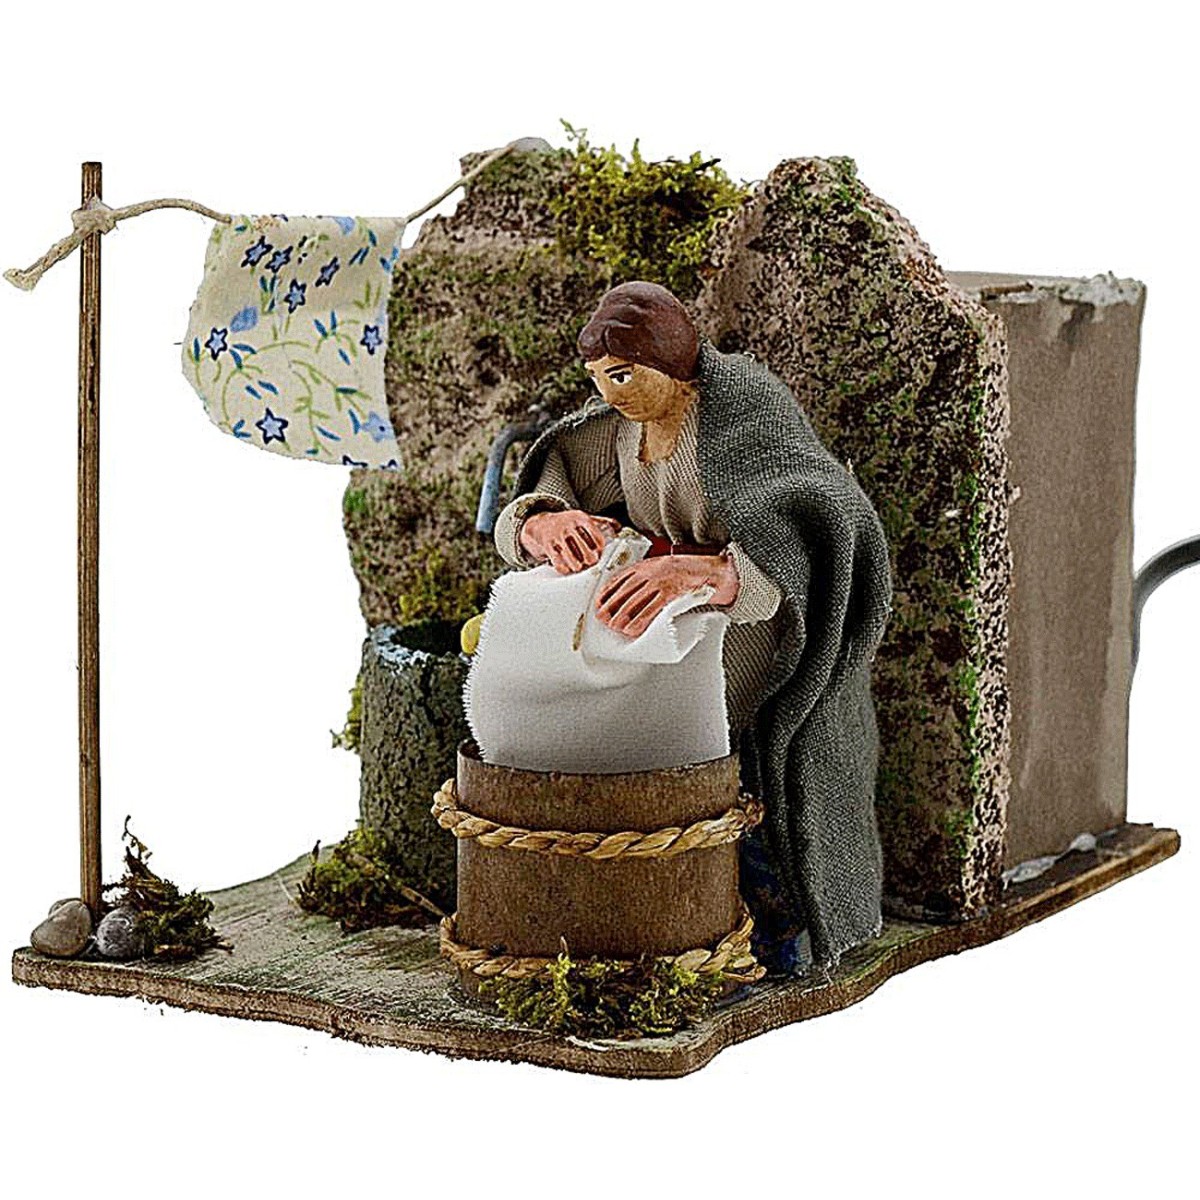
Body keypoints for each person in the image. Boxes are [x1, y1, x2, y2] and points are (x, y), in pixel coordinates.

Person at [493, 281, 893, 969]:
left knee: (744, 778)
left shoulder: (744, 411)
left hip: (754, 637)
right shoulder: (623, 425)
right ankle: (660, 927)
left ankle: (775, 937)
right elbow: (555, 472)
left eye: (623, 375)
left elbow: (819, 522)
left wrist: (712, 573)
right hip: (671, 629)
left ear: (669, 360)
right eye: (598, 378)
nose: (609, 394)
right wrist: (543, 523)